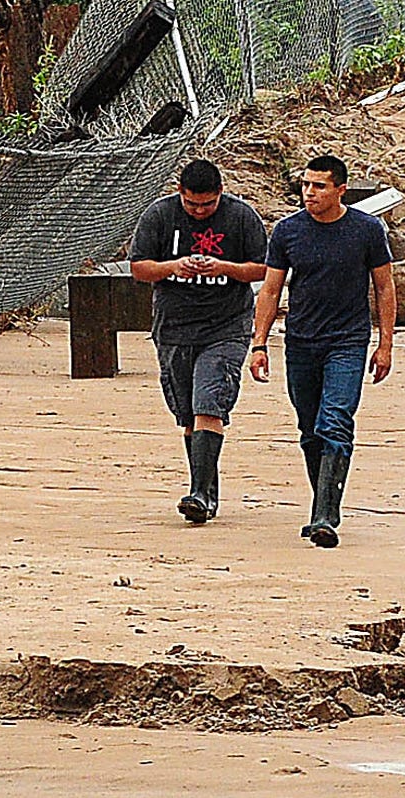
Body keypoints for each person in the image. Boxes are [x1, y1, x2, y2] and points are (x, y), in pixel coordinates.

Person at [245, 155, 395, 549]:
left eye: (319, 186)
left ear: (341, 190)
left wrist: (385, 344)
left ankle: (326, 516)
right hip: (301, 343)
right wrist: (259, 344)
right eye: (306, 185)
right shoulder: (288, 231)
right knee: (310, 429)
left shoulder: (366, 230)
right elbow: (271, 290)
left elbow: (384, 287)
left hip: (348, 341)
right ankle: (321, 506)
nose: (309, 193)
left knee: (335, 421)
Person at [126, 158, 269, 525]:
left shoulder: (241, 217)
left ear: (220, 193)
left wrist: (225, 268)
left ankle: (200, 493)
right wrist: (173, 266)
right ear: (180, 193)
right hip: (174, 327)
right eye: (192, 204)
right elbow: (140, 267)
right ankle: (205, 493)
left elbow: (263, 268)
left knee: (210, 401)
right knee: (189, 413)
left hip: (226, 326)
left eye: (207, 204)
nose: (200, 211)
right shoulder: (159, 215)